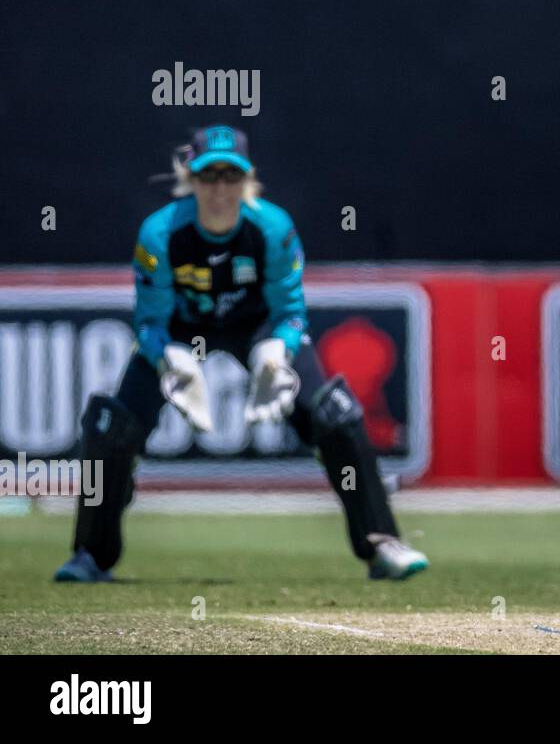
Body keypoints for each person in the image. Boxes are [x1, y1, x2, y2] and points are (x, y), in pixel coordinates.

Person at [54, 125, 428, 583]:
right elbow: (149, 321)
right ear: (190, 180)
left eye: (230, 177)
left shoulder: (272, 228)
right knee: (109, 428)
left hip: (256, 329)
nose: (219, 189)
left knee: (335, 414)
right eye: (209, 177)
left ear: (247, 180)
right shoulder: (159, 234)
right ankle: (90, 555)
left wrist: (275, 353)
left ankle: (381, 544)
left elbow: (291, 312)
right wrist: (170, 358)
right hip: (180, 331)